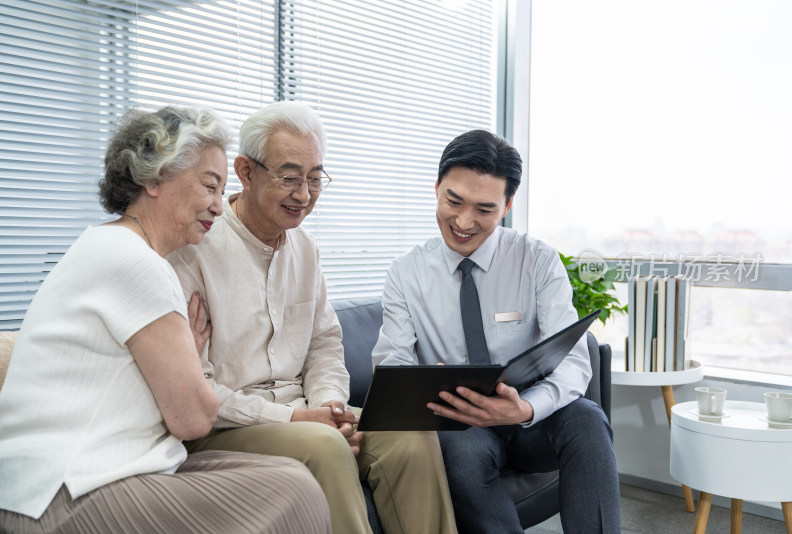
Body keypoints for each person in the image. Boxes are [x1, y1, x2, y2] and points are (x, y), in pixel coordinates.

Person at [0, 106, 331, 534]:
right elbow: (192, 418)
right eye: (210, 185)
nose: (218, 204)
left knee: (291, 479)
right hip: (64, 490)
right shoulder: (134, 261)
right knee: (295, 492)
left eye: (222, 189)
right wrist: (189, 361)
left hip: (108, 468)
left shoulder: (109, 245)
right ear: (154, 179)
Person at [167, 100, 457, 534]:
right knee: (325, 445)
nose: (304, 195)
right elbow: (200, 391)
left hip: (306, 415)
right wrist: (299, 421)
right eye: (289, 177)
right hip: (227, 427)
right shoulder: (195, 249)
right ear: (245, 172)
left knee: (409, 433)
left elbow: (324, 345)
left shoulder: (305, 250)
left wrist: (329, 406)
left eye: (315, 178)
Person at [371, 129, 621, 534]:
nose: (463, 222)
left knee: (588, 421)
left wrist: (526, 408)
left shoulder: (537, 260)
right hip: (464, 425)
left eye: (484, 209)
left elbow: (575, 358)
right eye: (453, 201)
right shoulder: (406, 272)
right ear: (436, 188)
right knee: (462, 451)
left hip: (531, 417)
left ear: (505, 207)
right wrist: (420, 383)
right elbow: (393, 362)